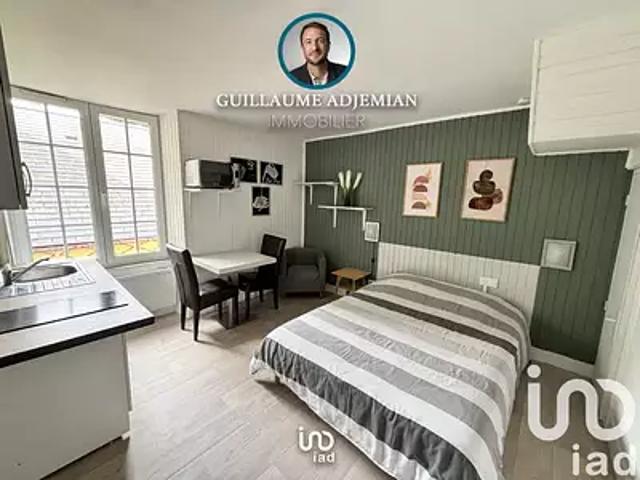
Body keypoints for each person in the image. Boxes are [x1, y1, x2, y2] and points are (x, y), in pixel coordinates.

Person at [289, 21, 347, 87]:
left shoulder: (345, 73)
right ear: (302, 47)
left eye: (320, 41)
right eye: (308, 42)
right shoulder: (291, 78)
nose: (315, 48)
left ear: (328, 45)